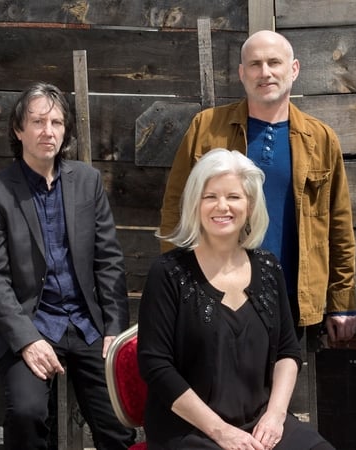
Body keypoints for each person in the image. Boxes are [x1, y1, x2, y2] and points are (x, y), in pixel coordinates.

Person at [159, 30, 356, 343]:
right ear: (241, 73)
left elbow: (339, 225)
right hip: (217, 292)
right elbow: (176, 210)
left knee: (284, 386)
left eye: (274, 63)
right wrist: (178, 288)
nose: (265, 72)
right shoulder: (206, 128)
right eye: (254, 64)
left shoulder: (321, 139)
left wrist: (342, 302)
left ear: (293, 69)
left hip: (291, 296)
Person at [0, 82, 135, 450]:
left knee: (119, 420)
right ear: (19, 130)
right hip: (30, 324)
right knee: (28, 414)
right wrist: (27, 340)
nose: (49, 131)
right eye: (38, 122)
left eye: (57, 123)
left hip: (86, 325)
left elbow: (109, 260)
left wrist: (114, 329)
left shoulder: (88, 182)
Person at [138, 149, 335, 450]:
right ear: (195, 203)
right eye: (210, 197)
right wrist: (221, 432)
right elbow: (156, 366)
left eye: (233, 196)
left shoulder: (269, 268)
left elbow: (287, 351)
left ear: (250, 205)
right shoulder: (168, 273)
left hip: (260, 421)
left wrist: (275, 417)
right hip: (190, 430)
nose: (222, 206)